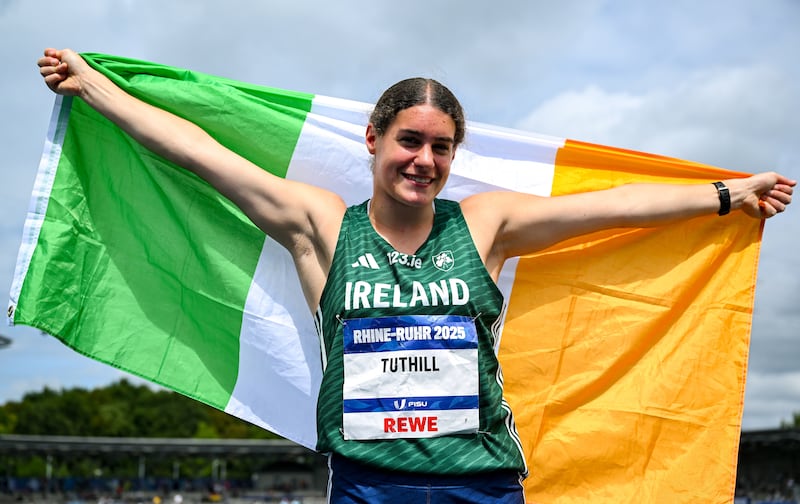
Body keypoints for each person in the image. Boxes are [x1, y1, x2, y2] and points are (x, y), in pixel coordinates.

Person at [38, 48, 794, 503]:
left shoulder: (488, 225)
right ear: (373, 139)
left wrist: (727, 196)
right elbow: (199, 153)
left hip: (485, 481)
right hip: (370, 484)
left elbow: (613, 208)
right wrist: (93, 88)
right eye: (408, 140)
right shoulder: (322, 225)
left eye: (441, 148)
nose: (423, 160)